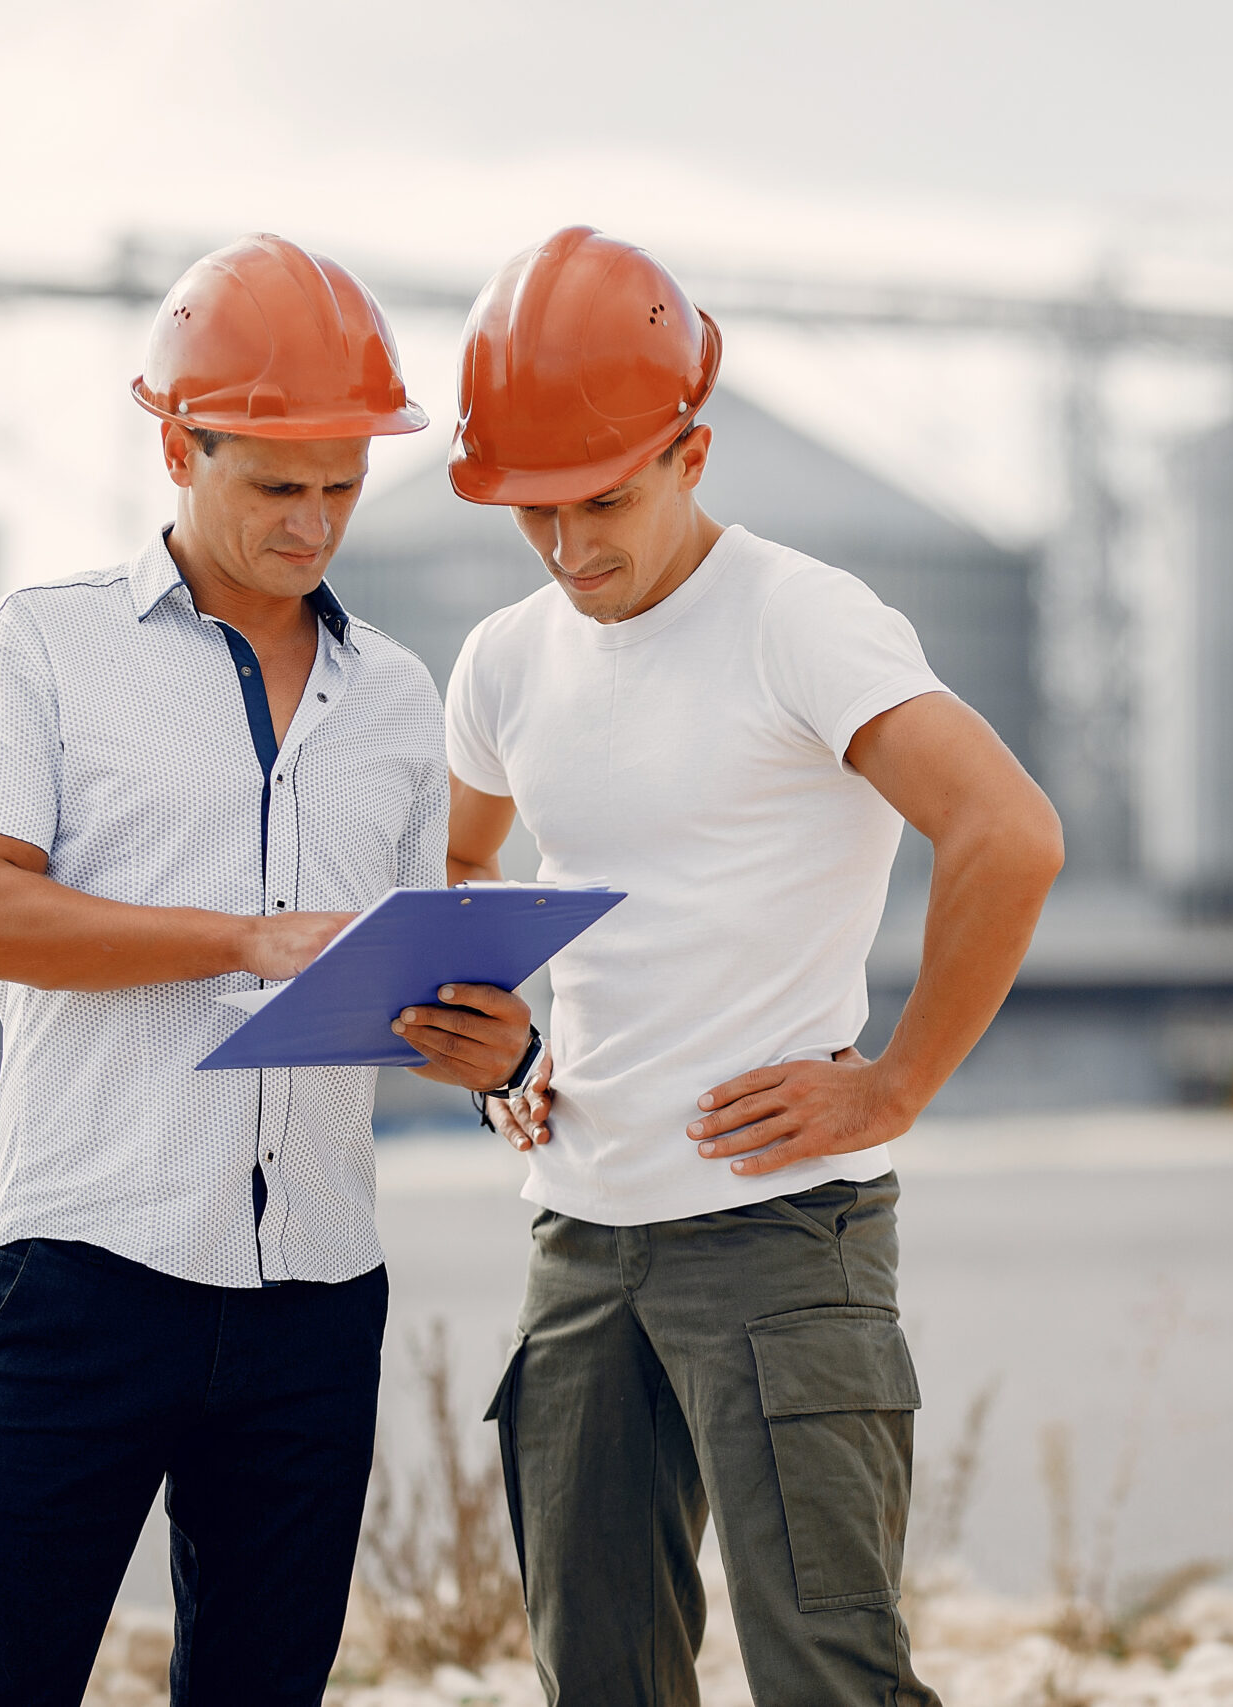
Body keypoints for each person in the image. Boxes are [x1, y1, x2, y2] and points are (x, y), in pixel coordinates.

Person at [442, 225, 1066, 1707]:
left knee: (828, 1679)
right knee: (597, 1679)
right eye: (536, 515)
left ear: (691, 452)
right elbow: (462, 877)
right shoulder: (505, 663)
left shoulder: (802, 619)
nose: (572, 547)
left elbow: (1008, 833)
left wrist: (896, 1084)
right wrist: (503, 1053)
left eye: (605, 501)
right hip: (576, 1248)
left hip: (784, 1244)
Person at [0, 234, 539, 1704]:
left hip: (318, 1289)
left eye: (341, 486)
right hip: (87, 1271)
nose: (313, 524)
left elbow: (401, 957)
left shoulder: (398, 697)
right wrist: (244, 940)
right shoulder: (42, 651)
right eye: (276, 487)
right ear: (173, 444)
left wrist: (485, 1036)